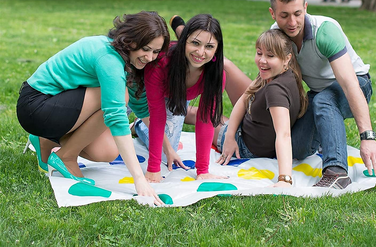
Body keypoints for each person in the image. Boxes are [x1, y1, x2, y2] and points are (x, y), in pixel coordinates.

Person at [18, 11, 170, 205]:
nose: (150, 57)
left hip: (55, 108)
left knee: (106, 151)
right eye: (146, 49)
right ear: (131, 40)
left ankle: (45, 141)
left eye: (156, 52)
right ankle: (66, 156)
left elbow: (141, 108)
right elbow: (116, 116)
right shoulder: (109, 58)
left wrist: (167, 146)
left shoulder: (128, 59)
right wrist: (139, 179)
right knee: (118, 98)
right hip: (35, 106)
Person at [269, 0, 376, 188]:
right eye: (284, 15)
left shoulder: (325, 31)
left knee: (324, 100)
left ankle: (337, 171)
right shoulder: (276, 35)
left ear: (305, 7)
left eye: (297, 13)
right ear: (273, 13)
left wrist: (367, 137)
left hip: (358, 85)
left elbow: (350, 85)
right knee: (298, 149)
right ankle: (328, 136)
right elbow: (272, 80)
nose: (292, 22)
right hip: (319, 93)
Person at [213, 29, 308, 188]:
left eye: (270, 56)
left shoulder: (275, 89)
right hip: (242, 130)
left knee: (205, 118)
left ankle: (189, 39)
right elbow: (244, 99)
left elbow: (283, 135)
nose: (262, 60)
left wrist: (285, 179)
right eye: (259, 53)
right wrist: (230, 135)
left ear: (287, 58)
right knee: (219, 118)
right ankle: (189, 37)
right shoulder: (279, 72)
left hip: (245, 146)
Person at [141, 14, 227, 183]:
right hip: (140, 90)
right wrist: (153, 168)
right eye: (195, 43)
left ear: (217, 49)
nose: (201, 52)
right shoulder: (160, 64)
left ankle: (138, 125)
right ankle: (141, 118)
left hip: (174, 96)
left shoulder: (216, 75)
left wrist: (202, 170)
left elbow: (205, 119)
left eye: (209, 46)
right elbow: (157, 118)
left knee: (169, 148)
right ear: (184, 41)